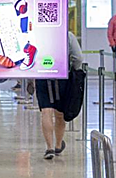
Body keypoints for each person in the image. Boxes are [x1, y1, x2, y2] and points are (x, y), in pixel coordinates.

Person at [35, 30, 85, 160]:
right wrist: (74, 70)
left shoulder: (38, 33)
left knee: (46, 111)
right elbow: (78, 57)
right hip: (62, 76)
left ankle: (49, 147)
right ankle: (58, 145)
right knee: (60, 113)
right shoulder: (67, 35)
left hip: (42, 75)